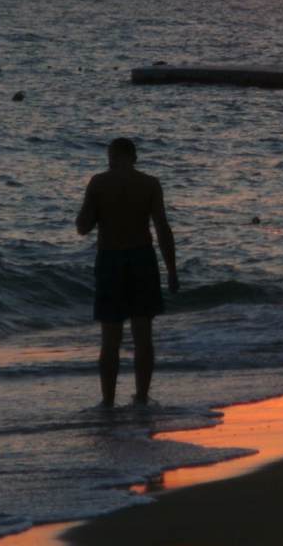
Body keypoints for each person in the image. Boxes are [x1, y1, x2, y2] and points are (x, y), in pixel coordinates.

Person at [75, 137, 179, 406]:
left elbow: (83, 227)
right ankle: (141, 397)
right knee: (143, 336)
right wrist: (172, 270)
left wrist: (97, 208)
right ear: (134, 158)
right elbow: (163, 229)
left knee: (110, 338)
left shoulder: (99, 183)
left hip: (110, 260)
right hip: (142, 258)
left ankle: (108, 401)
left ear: (111, 157)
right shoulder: (149, 184)